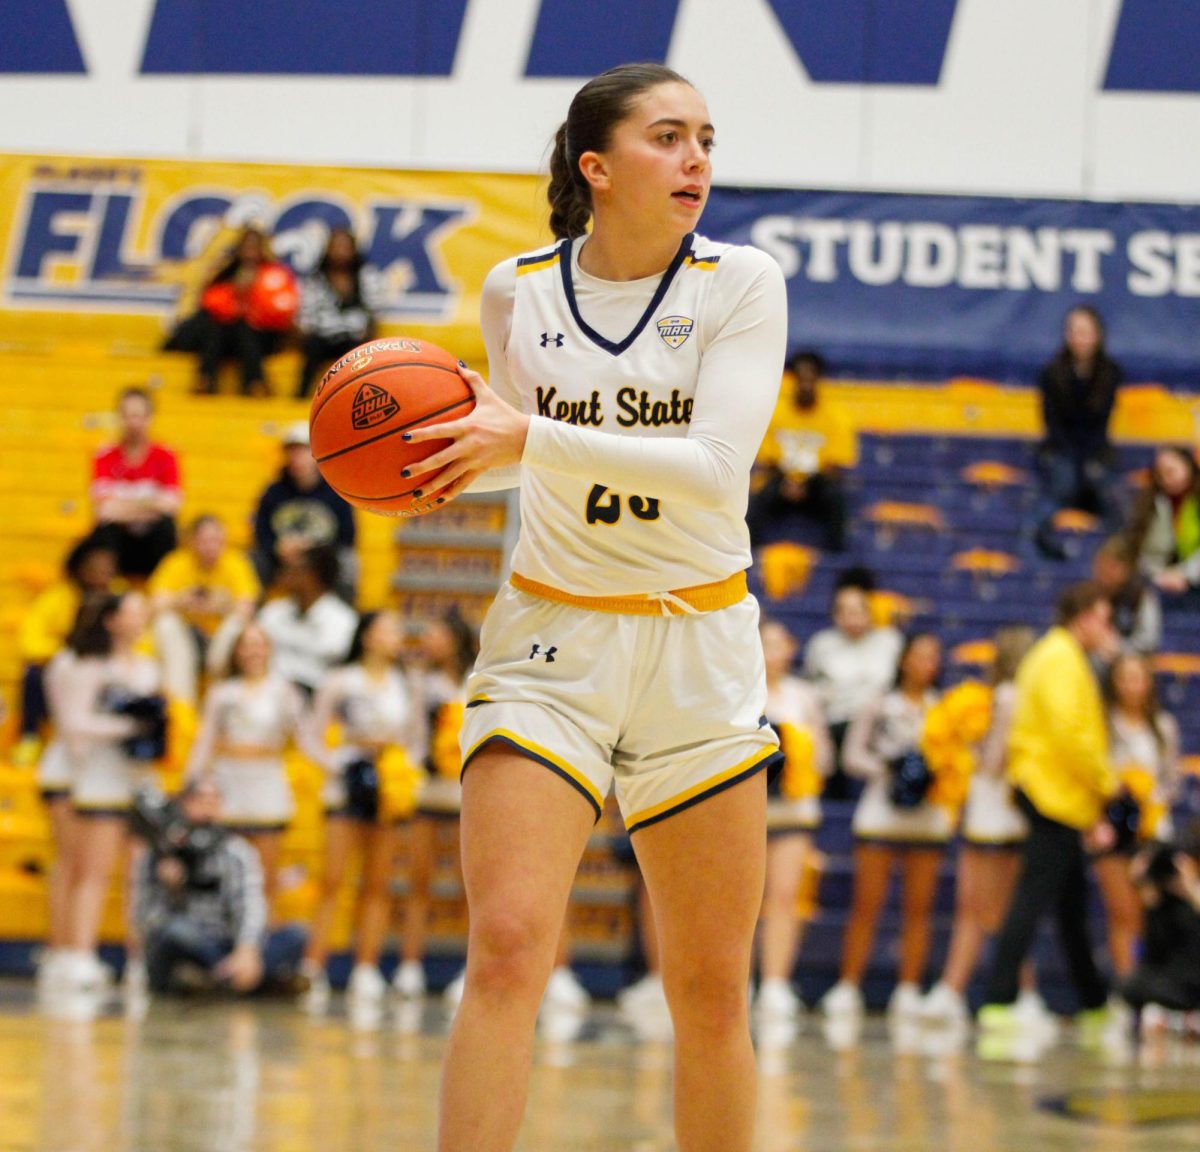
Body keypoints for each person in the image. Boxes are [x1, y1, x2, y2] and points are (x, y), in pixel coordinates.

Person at [401, 63, 788, 1152]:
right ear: (597, 166)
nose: (698, 159)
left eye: (707, 137)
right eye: (669, 138)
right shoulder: (517, 288)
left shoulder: (741, 282)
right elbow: (511, 454)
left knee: (710, 990)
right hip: (549, 637)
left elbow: (715, 467)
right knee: (511, 944)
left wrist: (524, 440)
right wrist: (423, 466)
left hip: (697, 646)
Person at [979, 583, 1120, 1034]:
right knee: (1031, 901)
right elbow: (1071, 736)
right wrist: (1105, 783)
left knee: (1071, 908)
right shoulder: (1060, 658)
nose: (1108, 628)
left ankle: (1094, 1003)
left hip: (1063, 798)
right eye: (1103, 617)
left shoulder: (1064, 656)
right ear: (1083, 617)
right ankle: (998, 1001)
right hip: (1051, 797)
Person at [821, 632, 949, 1022]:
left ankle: (909, 988)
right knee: (866, 903)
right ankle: (848, 985)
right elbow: (852, 756)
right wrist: (890, 770)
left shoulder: (944, 709)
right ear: (904, 659)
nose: (926, 663)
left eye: (933, 656)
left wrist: (932, 774)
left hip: (927, 818)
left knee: (919, 908)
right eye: (919, 654)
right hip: (880, 812)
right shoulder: (880, 703)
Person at [921, 626, 1043, 1027]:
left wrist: (971, 746)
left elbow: (995, 761)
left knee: (991, 909)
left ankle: (1018, 995)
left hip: (996, 807)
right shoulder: (1014, 696)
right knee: (981, 906)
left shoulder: (1007, 696)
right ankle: (956, 990)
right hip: (997, 808)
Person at [298, 611, 418, 1008]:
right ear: (366, 636)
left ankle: (366, 966)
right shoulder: (341, 680)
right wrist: (339, 764)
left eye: (397, 631)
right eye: (387, 629)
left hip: (386, 786)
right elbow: (310, 735)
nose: (394, 637)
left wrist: (401, 771)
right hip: (347, 785)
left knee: (379, 882)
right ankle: (314, 964)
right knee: (333, 879)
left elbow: (415, 739)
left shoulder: (406, 682)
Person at [56, 592, 162, 992]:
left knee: (141, 875)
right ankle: (81, 954)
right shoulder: (90, 666)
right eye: (131, 613)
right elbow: (73, 723)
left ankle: (140, 956)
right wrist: (127, 726)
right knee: (93, 872)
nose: (139, 620)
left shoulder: (150, 668)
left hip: (139, 777)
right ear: (111, 621)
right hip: (101, 777)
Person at [131, 777, 305, 996]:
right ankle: (252, 981)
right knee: (173, 933)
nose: (207, 807)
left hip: (226, 943)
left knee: (296, 935)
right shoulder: (158, 853)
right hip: (189, 941)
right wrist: (171, 888)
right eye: (200, 799)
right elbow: (144, 919)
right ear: (183, 804)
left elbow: (251, 904)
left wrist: (246, 950)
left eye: (214, 801)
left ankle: (220, 977)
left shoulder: (236, 851)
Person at [185, 622, 305, 908]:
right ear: (236, 651)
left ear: (269, 650)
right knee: (226, 869)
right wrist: (190, 782)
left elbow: (307, 736)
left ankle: (260, 945)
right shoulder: (222, 692)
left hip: (266, 781)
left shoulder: (284, 691)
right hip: (229, 781)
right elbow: (204, 740)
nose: (253, 652)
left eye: (259, 644)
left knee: (266, 873)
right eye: (246, 644)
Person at [755, 618, 832, 1021]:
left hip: (795, 812)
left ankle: (775, 984)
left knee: (785, 897)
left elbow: (825, 758)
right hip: (750, 812)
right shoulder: (741, 690)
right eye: (764, 642)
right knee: (743, 902)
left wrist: (800, 752)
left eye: (779, 642)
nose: (772, 650)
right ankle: (739, 982)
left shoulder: (805, 696)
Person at [400, 610, 478, 1003]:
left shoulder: (478, 680)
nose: (427, 640)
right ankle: (410, 966)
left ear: (455, 638)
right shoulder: (419, 682)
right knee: (419, 880)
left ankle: (470, 971)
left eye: (436, 632)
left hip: (466, 792)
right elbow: (411, 732)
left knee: (471, 887)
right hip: (429, 790)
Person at [1098, 651, 1181, 979]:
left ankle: (1155, 992)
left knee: (1154, 916)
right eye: (1125, 678)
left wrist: (1151, 801)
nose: (1133, 686)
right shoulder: (1104, 723)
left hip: (1153, 833)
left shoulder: (1163, 726)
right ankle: (1127, 991)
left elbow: (1171, 780)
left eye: (1139, 677)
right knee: (1123, 915)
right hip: (1114, 831)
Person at [14, 537, 118, 765]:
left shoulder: (118, 599)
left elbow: (138, 641)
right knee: (34, 673)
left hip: (106, 669)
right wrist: (68, 655)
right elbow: (29, 640)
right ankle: (30, 736)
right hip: (65, 670)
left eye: (108, 566)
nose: (103, 572)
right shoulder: (58, 597)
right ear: (80, 567)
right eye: (96, 566)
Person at [1033, 305, 1122, 559]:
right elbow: (1052, 423)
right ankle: (1044, 546)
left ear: (1098, 335)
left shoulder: (1110, 373)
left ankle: (1114, 554)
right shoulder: (1051, 373)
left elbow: (1102, 422)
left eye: (1086, 332)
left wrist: (1089, 459)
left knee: (1109, 490)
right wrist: (1071, 457)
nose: (1080, 338)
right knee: (1063, 482)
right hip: (1060, 448)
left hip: (1095, 449)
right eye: (1075, 331)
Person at [746, 351, 856, 552]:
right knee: (758, 494)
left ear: (818, 381)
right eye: (801, 379)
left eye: (810, 379)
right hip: (780, 480)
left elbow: (838, 465)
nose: (805, 385)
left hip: (816, 485)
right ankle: (750, 553)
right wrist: (788, 482)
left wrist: (805, 484)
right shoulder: (774, 413)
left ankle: (836, 557)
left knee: (835, 497)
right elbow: (765, 460)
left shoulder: (836, 418)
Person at [803, 581, 903, 797]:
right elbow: (812, 687)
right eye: (845, 612)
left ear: (869, 612)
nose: (852, 618)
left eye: (858, 610)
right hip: (836, 723)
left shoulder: (890, 641)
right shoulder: (821, 644)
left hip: (880, 724)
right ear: (835, 615)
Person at [148, 514, 260, 705]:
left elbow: (247, 608)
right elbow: (154, 605)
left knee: (237, 625)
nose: (211, 546)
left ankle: (219, 701)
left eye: (216, 540)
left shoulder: (236, 563)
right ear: (192, 541)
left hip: (219, 639)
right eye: (205, 540)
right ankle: (181, 706)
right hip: (185, 636)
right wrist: (180, 600)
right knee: (165, 623)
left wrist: (221, 605)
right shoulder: (176, 562)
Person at [250, 422, 357, 601]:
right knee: (254, 561)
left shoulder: (336, 491)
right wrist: (277, 547)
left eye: (302, 451)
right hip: (281, 558)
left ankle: (346, 618)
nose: (296, 458)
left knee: (348, 562)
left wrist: (311, 548)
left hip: (322, 559)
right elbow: (261, 533)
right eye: (292, 452)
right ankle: (254, 617)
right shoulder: (274, 491)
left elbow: (347, 537)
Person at [186, 227, 293, 397]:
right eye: (246, 246)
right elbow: (210, 304)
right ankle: (206, 379)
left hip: (264, 338)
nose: (250, 252)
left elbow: (282, 311)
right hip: (228, 338)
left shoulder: (275, 274)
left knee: (245, 330)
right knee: (218, 329)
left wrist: (252, 296)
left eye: (254, 246)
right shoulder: (227, 273)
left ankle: (255, 383)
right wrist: (236, 292)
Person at [88, 387, 183, 579]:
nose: (133, 423)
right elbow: (104, 510)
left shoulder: (166, 455)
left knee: (167, 527)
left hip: (153, 542)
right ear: (119, 417)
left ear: (150, 418)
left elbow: (172, 506)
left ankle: (163, 586)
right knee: (103, 531)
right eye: (127, 416)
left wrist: (122, 506)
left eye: (139, 416)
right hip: (119, 542)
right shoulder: (104, 454)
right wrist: (151, 503)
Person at [295, 227, 381, 397]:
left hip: (353, 338)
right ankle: (301, 398)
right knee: (312, 349)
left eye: (345, 246)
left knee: (358, 358)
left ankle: (356, 398)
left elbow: (374, 310)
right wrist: (305, 332)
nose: (340, 251)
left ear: (354, 250)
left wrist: (367, 336)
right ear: (327, 250)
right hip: (321, 336)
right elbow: (306, 312)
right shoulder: (315, 278)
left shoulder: (366, 276)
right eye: (336, 246)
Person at [1121, 834, 1200, 1017]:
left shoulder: (1192, 896)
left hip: (1193, 979)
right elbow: (1153, 954)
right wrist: (1145, 882)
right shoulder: (1161, 905)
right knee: (1134, 984)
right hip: (1172, 976)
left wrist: (1191, 887)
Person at [1126, 445, 1200, 599]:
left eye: (1171, 471)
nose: (1166, 479)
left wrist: (1185, 574)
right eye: (1160, 474)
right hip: (1157, 580)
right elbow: (1139, 549)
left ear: (1188, 467)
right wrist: (1158, 575)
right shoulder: (1148, 504)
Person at [1090, 535, 1161, 655]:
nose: (1106, 574)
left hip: (1128, 658)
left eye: (1112, 567)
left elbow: (1149, 641)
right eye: (1102, 567)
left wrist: (1118, 648)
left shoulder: (1139, 595)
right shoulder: (1087, 595)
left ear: (1126, 569)